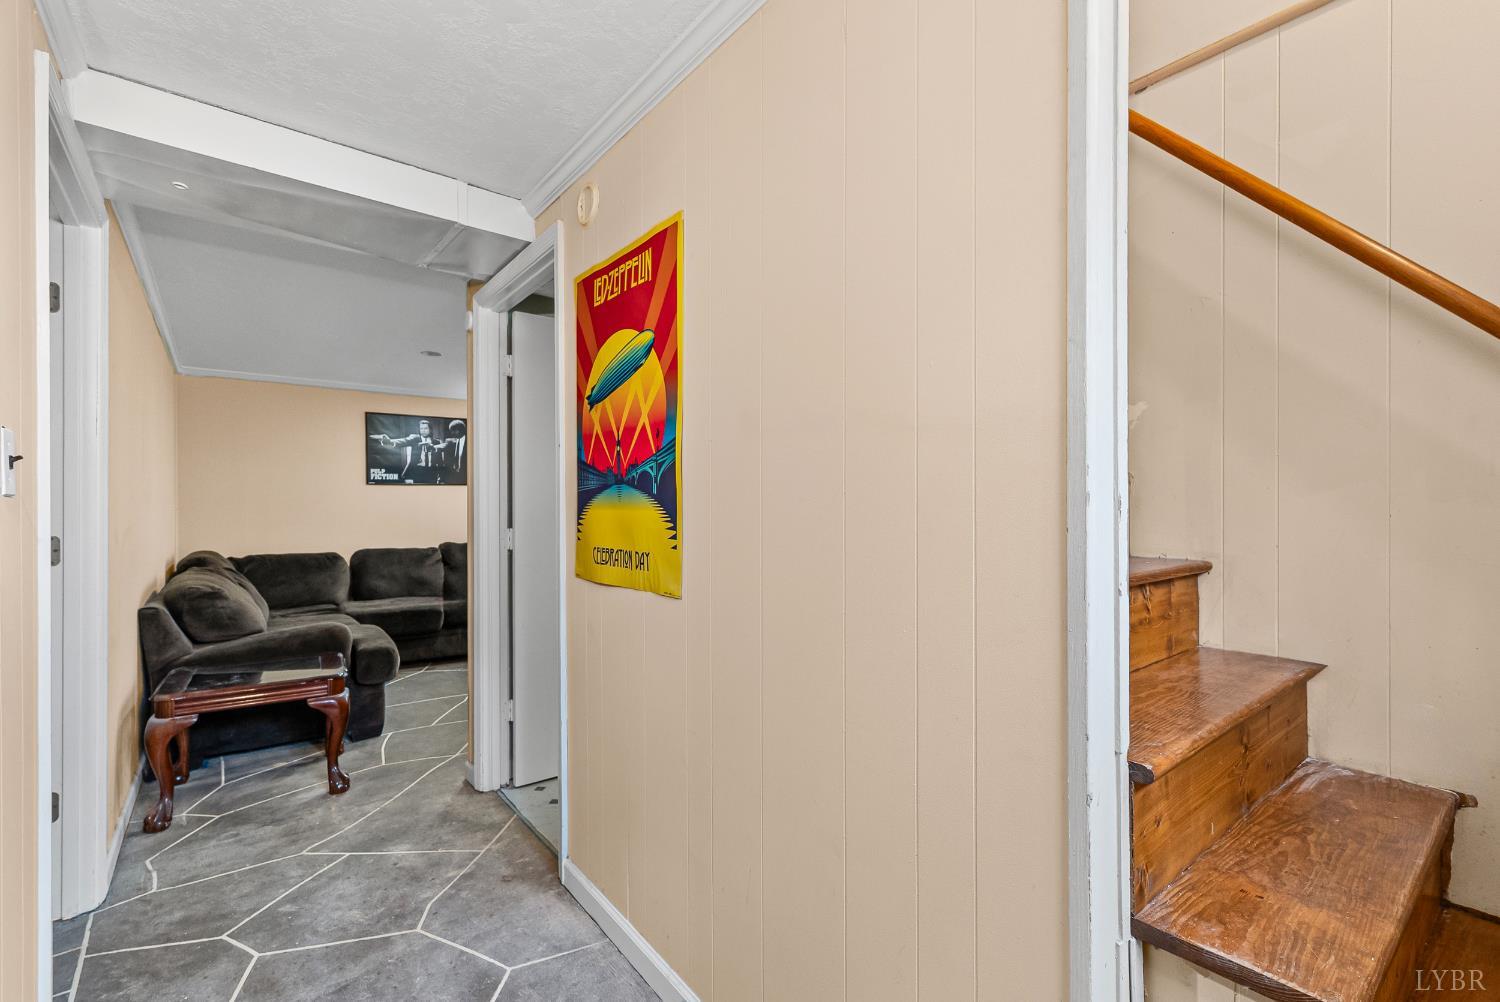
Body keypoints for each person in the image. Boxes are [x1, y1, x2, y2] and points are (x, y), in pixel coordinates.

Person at [373, 419, 440, 484]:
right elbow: (403, 441)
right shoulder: (414, 438)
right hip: (417, 471)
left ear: (430, 430)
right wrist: (390, 442)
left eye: (425, 428)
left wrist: (439, 475)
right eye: (421, 429)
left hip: (432, 473)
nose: (423, 431)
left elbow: (439, 460)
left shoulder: (437, 442)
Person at [434, 419, 467, 484]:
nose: (451, 433)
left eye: (452, 431)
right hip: (454, 476)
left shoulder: (470, 442)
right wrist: (433, 446)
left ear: (458, 430)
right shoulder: (451, 441)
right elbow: (443, 445)